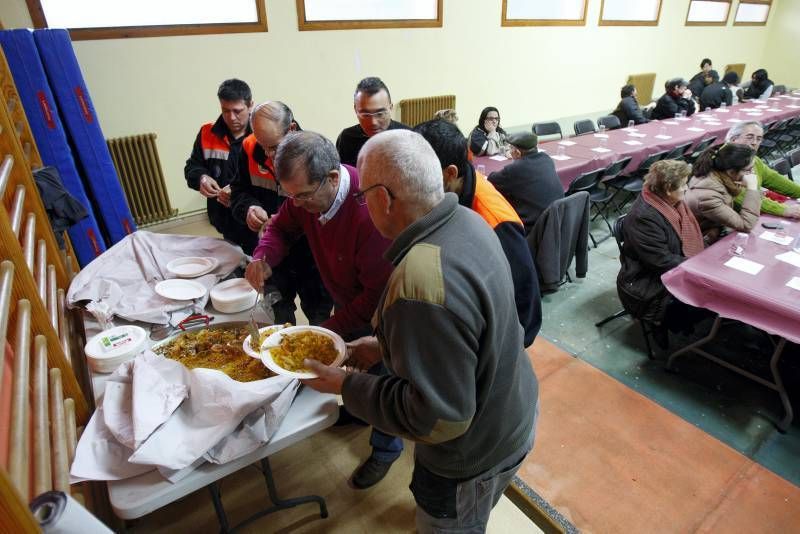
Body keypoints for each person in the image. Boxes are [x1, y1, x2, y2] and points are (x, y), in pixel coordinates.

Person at [301, 129, 538, 532]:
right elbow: (467, 337)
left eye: (362, 197)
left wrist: (346, 385)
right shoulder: (468, 220)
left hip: (470, 458)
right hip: (513, 415)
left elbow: (437, 419)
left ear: (383, 199)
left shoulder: (418, 284)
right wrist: (386, 347)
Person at [244, 131, 402, 489]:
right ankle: (358, 411)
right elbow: (281, 226)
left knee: (382, 372)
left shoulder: (368, 212)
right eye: (290, 196)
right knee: (353, 365)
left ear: (332, 179)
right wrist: (263, 257)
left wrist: (322, 330)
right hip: (347, 295)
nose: (296, 204)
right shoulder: (307, 195)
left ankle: (385, 448)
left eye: (302, 196)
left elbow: (375, 296)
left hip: (382, 310)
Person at [414, 119, 542, 347]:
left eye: (420, 174)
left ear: (449, 174)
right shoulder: (457, 187)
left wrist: (501, 352)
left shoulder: (495, 222)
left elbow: (526, 304)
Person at [231, 101, 333, 325]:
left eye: (274, 146)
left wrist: (292, 222)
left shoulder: (316, 153)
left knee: (320, 319)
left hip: (311, 258)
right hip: (272, 257)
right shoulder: (248, 149)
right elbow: (238, 191)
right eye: (263, 145)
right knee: (279, 318)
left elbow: (330, 209)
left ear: (292, 129)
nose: (268, 155)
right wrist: (248, 208)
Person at [617, 160, 706, 346]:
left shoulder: (671, 202)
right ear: (667, 188)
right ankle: (661, 322)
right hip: (646, 281)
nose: (687, 188)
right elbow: (661, 261)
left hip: (664, 267)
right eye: (683, 184)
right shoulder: (644, 217)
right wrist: (699, 266)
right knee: (707, 295)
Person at [184, 79, 256, 252]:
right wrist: (201, 177)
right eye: (225, 111)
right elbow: (192, 166)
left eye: (237, 111)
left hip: (254, 217)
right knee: (235, 262)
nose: (231, 117)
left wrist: (238, 193)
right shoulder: (207, 133)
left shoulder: (263, 134)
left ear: (251, 105)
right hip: (224, 219)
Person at [485, 131, 564, 234]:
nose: (509, 151)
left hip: (533, 229)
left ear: (517, 153)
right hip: (556, 222)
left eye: (510, 149)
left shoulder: (515, 170)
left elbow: (491, 180)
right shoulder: (546, 159)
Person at [685, 143, 760, 243]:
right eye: (748, 170)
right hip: (699, 244)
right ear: (731, 172)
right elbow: (746, 225)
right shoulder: (707, 195)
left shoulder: (719, 177)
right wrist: (752, 188)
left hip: (715, 232)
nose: (752, 173)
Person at [726, 121, 800, 219]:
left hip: (751, 213)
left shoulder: (754, 160)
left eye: (759, 139)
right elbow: (741, 197)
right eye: (749, 137)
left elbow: (775, 180)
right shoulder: (723, 162)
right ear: (733, 139)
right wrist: (784, 210)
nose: (754, 142)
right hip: (729, 221)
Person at [336, 77, 410, 166]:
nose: (373, 122)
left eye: (380, 114)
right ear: (356, 110)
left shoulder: (408, 137)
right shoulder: (347, 138)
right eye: (365, 115)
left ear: (390, 108)